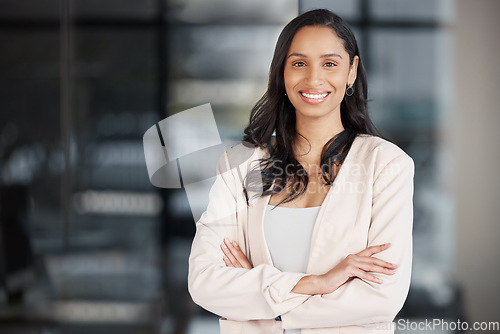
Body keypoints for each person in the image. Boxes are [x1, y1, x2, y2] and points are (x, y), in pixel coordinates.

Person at [188, 8, 414, 334]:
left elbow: (381, 297)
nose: (313, 79)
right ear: (282, 72)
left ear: (351, 71)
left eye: (330, 64)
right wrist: (317, 283)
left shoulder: (387, 166)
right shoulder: (239, 165)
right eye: (298, 63)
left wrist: (262, 304)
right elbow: (204, 282)